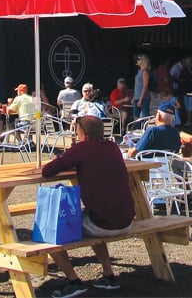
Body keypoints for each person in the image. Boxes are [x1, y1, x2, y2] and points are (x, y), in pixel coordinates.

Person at [41, 114, 134, 296]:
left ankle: (73, 280)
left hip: (103, 224)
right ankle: (108, 275)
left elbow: (48, 171)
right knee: (89, 216)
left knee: (50, 230)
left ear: (82, 132)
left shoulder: (82, 149)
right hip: (126, 220)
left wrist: (68, 157)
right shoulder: (112, 147)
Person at [133, 53, 153, 121]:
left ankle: (145, 130)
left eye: (139, 59)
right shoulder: (139, 71)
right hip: (137, 96)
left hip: (144, 97)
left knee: (145, 116)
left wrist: (140, 99)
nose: (137, 61)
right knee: (136, 116)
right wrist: (134, 97)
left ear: (143, 61)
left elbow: (145, 86)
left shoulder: (145, 72)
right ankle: (136, 130)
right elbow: (137, 85)